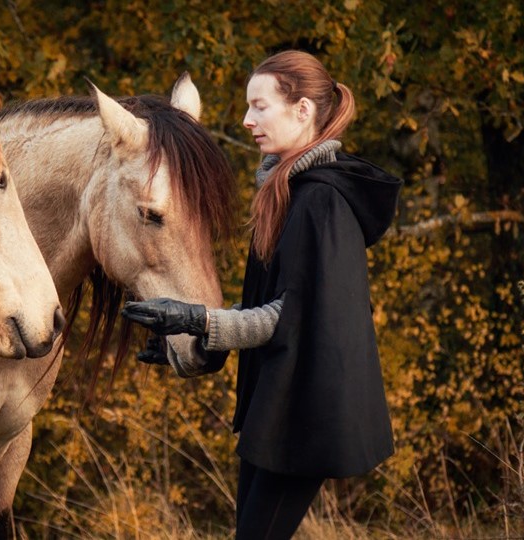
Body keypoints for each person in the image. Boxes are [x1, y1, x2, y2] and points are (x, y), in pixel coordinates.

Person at [121, 50, 403, 539]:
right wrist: (197, 339)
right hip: (278, 407)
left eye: (259, 106)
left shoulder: (321, 201)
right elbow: (271, 308)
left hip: (303, 414)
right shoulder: (288, 192)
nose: (247, 120)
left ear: (302, 110)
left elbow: (284, 319)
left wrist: (197, 320)